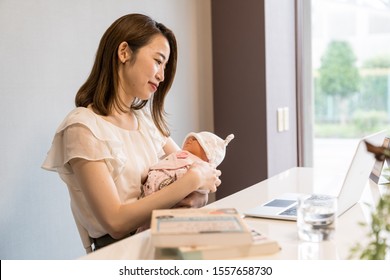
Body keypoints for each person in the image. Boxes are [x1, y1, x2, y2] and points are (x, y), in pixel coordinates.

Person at [41, 13, 221, 251]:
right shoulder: (83, 128)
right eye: (158, 61)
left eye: (165, 66)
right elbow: (115, 222)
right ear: (124, 52)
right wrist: (192, 182)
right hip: (123, 252)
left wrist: (196, 182)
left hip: (164, 240)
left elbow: (194, 167)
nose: (162, 75)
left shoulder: (145, 122)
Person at [136, 132, 234, 232]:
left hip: (168, 202)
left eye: (196, 140)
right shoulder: (178, 156)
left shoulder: (198, 166)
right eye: (191, 138)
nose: (190, 140)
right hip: (146, 196)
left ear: (208, 153)